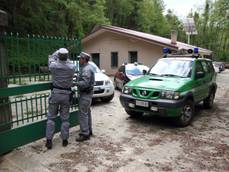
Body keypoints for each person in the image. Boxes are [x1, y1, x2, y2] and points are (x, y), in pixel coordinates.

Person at [45, 48, 76, 149]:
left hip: (56, 93)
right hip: (66, 95)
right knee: (65, 119)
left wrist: (57, 51)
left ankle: (49, 140)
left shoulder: (53, 66)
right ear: (67, 56)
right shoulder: (71, 67)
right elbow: (69, 61)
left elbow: (51, 58)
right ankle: (65, 140)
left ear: (58, 55)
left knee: (51, 118)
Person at [75, 52, 95, 142]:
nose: (79, 60)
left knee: (83, 113)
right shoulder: (87, 67)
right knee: (87, 112)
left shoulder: (86, 69)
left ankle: (84, 133)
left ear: (84, 59)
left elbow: (85, 83)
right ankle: (89, 130)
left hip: (85, 93)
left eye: (80, 59)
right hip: (88, 94)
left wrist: (75, 83)